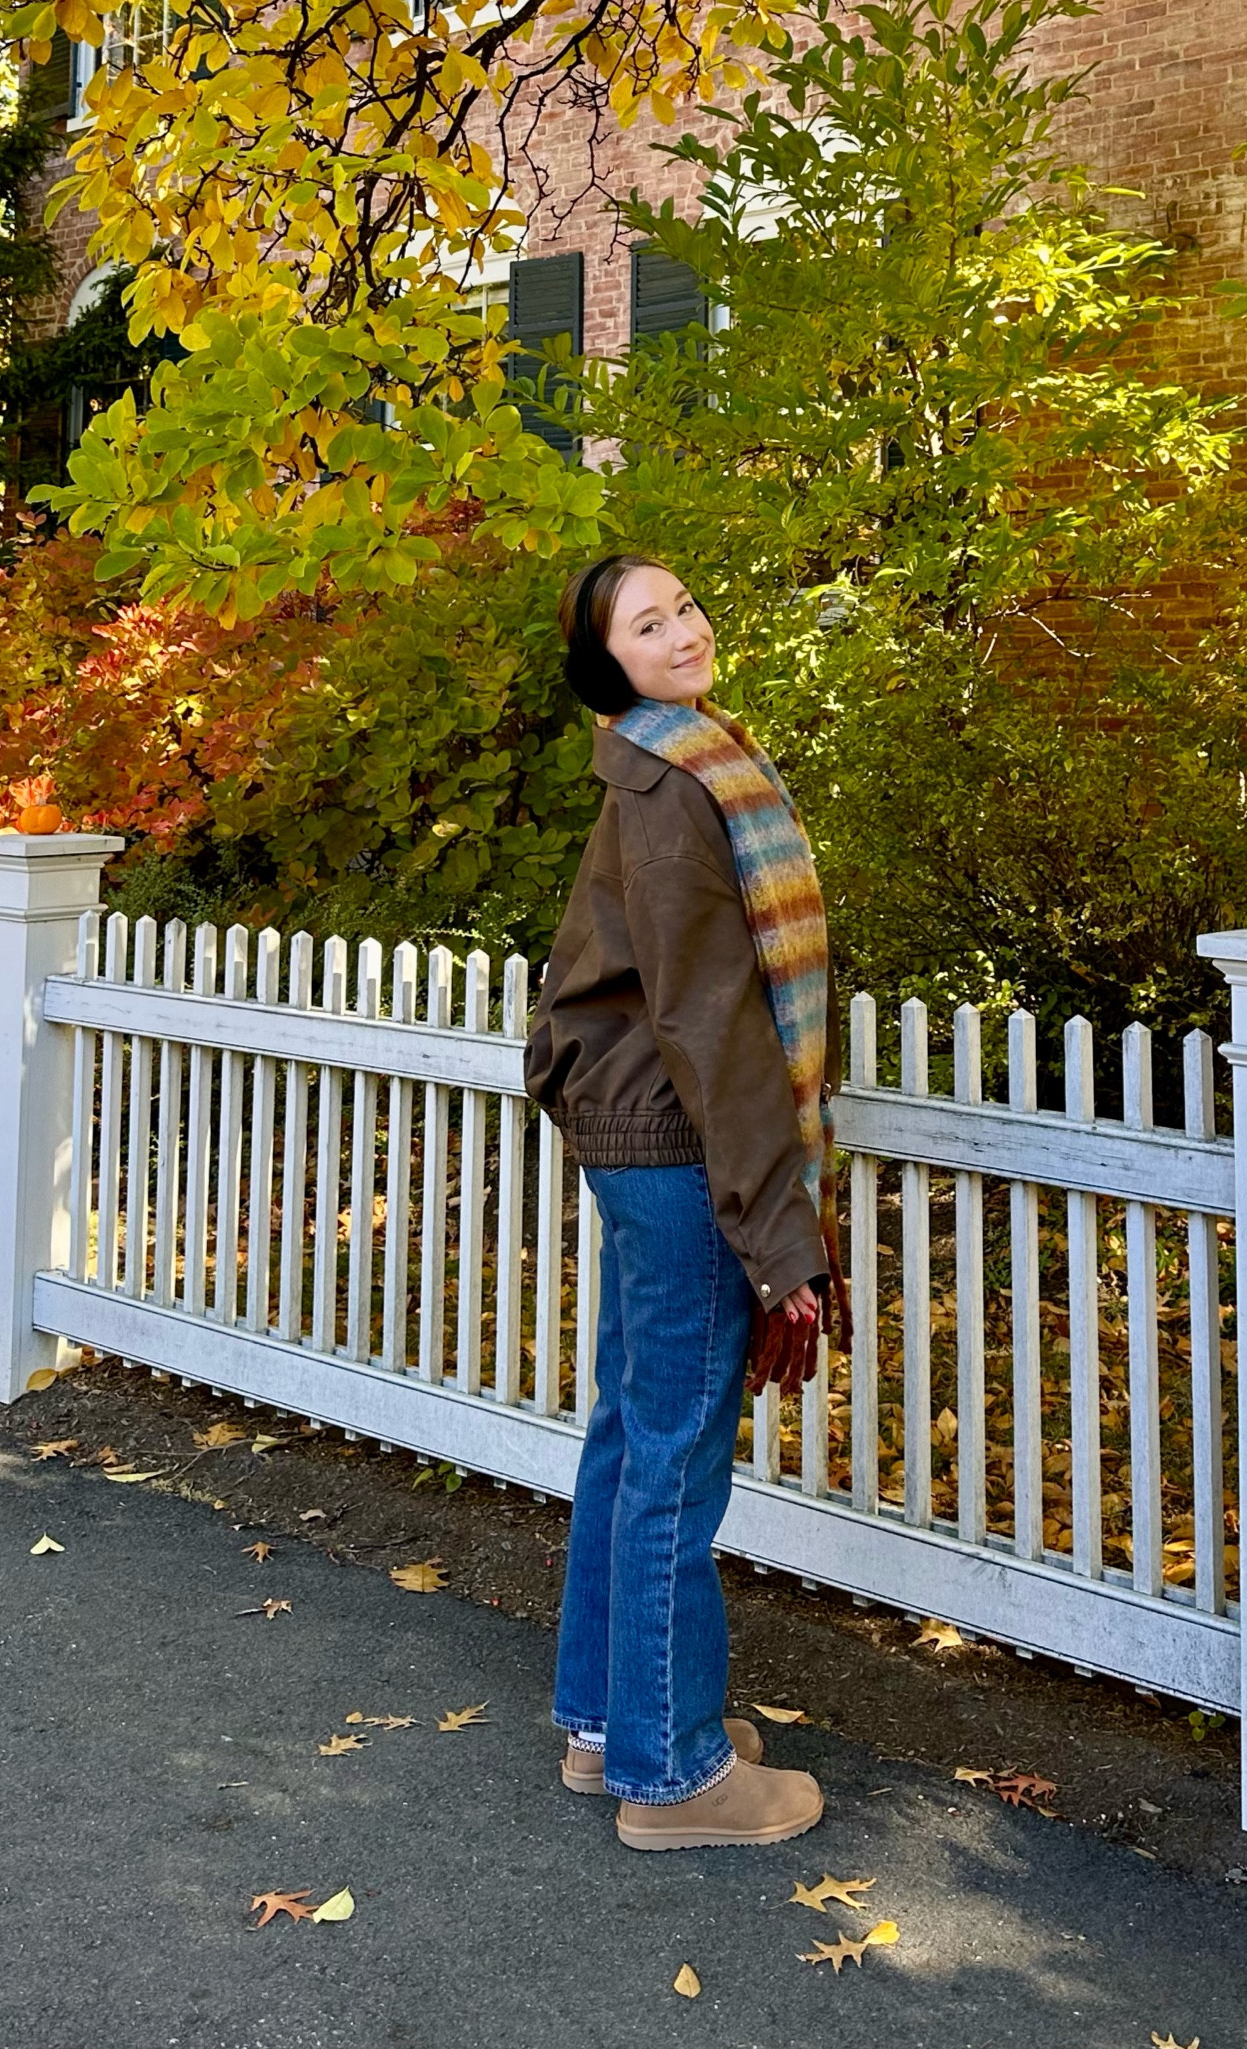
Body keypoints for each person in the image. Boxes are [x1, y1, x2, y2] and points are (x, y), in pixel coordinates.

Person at [524, 552, 851, 1851]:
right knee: (669, 1450)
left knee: (632, 1427)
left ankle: (610, 1721)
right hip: (671, 1144)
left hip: (642, 1133)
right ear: (608, 664)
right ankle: (671, 1774)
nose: (682, 629)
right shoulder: (671, 782)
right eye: (647, 623)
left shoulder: (677, 757)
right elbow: (711, 1020)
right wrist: (781, 1238)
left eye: (685, 606)